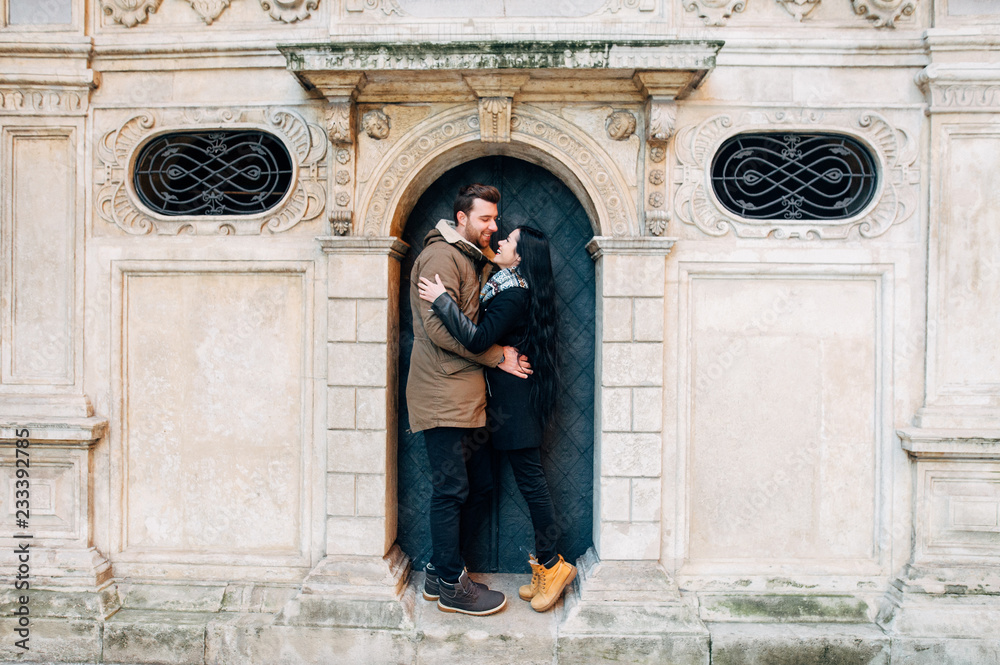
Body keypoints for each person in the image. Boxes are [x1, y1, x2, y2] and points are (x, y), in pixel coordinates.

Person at [418, 225, 578, 613]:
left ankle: (553, 564)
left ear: (520, 257)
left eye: (510, 241)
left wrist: (442, 300)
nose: (501, 240)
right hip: (500, 403)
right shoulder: (505, 285)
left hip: (514, 404)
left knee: (531, 482)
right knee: (494, 483)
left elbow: (476, 339)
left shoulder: (513, 293)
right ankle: (453, 569)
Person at [406, 183, 530, 616]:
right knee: (452, 489)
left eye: (495, 219)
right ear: (461, 218)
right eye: (485, 219)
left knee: (481, 486)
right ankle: (452, 587)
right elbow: (438, 331)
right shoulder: (441, 256)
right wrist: (496, 355)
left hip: (467, 394)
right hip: (442, 392)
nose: (493, 227)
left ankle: (442, 572)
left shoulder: (468, 257)